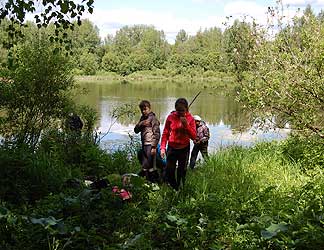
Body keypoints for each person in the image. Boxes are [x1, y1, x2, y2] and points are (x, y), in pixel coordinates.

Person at [160, 98, 196, 190]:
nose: (180, 112)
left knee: (182, 170)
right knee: (170, 170)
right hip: (172, 148)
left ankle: (181, 188)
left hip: (184, 149)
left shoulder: (190, 119)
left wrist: (186, 125)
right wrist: (163, 147)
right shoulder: (170, 117)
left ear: (186, 109)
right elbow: (165, 133)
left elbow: (193, 136)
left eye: (182, 110)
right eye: (178, 110)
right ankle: (174, 188)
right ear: (175, 108)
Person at [134, 100, 160, 182]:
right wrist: (141, 124)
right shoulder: (142, 118)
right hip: (144, 144)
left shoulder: (153, 119)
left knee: (149, 165)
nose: (143, 111)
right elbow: (136, 130)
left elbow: (157, 134)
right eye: (142, 110)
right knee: (147, 164)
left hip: (150, 145)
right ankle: (150, 180)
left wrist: (154, 147)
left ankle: (153, 181)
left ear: (149, 108)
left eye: (145, 109)